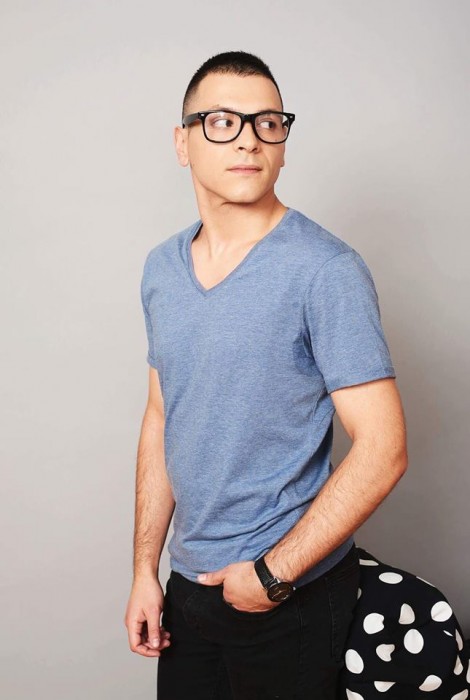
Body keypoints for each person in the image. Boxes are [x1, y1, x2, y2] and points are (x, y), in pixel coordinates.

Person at [124, 50, 408, 699]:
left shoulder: (325, 270)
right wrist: (145, 569)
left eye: (267, 122)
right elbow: (162, 418)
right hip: (188, 590)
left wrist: (273, 575)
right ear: (182, 142)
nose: (249, 139)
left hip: (287, 595)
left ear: (282, 141)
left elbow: (385, 448)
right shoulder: (162, 269)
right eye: (222, 121)